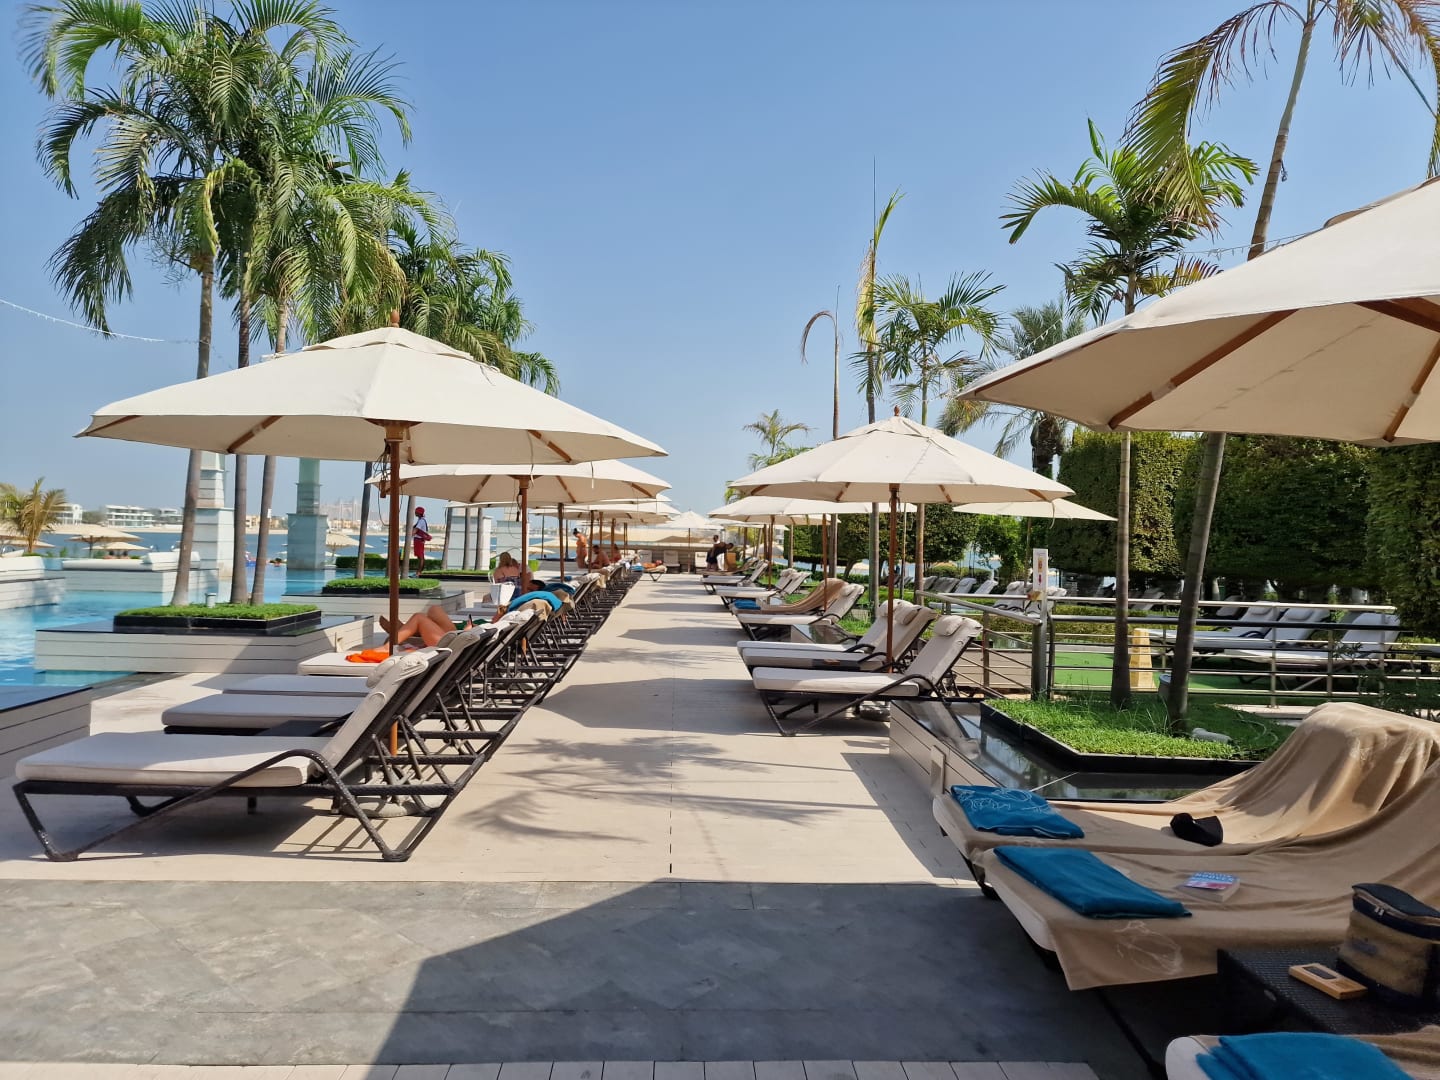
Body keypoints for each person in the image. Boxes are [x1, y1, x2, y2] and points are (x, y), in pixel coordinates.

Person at [380, 604, 457, 649]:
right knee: (435, 609)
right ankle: (411, 630)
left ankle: (388, 647)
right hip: (458, 637)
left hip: (452, 647)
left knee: (419, 617)